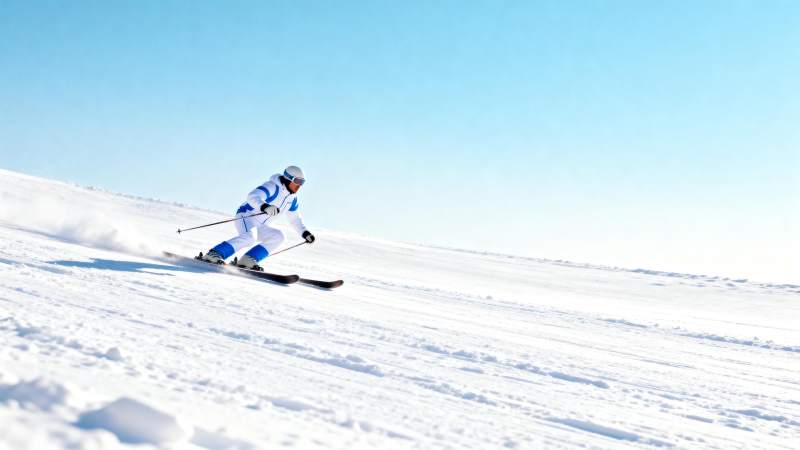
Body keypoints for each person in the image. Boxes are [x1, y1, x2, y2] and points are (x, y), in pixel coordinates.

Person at [202, 165, 315, 270]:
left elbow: (294, 219)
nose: (299, 185)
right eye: (297, 181)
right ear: (288, 178)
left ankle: (247, 260)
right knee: (249, 237)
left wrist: (305, 233)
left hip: (261, 224)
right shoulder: (273, 186)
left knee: (279, 236)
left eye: (302, 182)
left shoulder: (292, 199)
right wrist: (264, 206)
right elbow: (252, 196)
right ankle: (214, 254)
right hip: (246, 216)